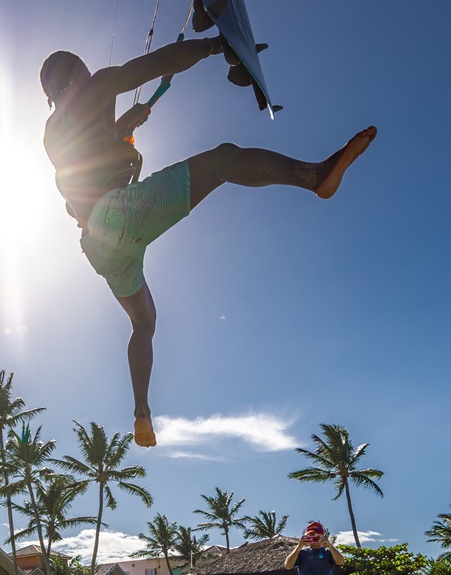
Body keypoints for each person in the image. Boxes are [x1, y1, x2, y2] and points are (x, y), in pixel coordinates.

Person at [40, 41, 376, 447]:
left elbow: (88, 150)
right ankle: (313, 176)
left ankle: (142, 412)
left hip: (98, 247)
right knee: (221, 160)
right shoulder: (94, 87)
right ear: (78, 74)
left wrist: (126, 125)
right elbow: (153, 64)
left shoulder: (51, 132)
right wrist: (217, 45)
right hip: (120, 214)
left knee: (144, 322)